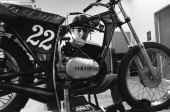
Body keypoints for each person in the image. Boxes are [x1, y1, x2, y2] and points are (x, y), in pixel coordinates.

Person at [44, 15, 129, 112]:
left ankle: (118, 107)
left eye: (85, 30)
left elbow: (100, 68)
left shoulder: (95, 46)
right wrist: (71, 48)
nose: (82, 34)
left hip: (91, 83)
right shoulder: (63, 46)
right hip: (71, 86)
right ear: (72, 31)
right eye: (79, 30)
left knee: (115, 78)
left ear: (89, 31)